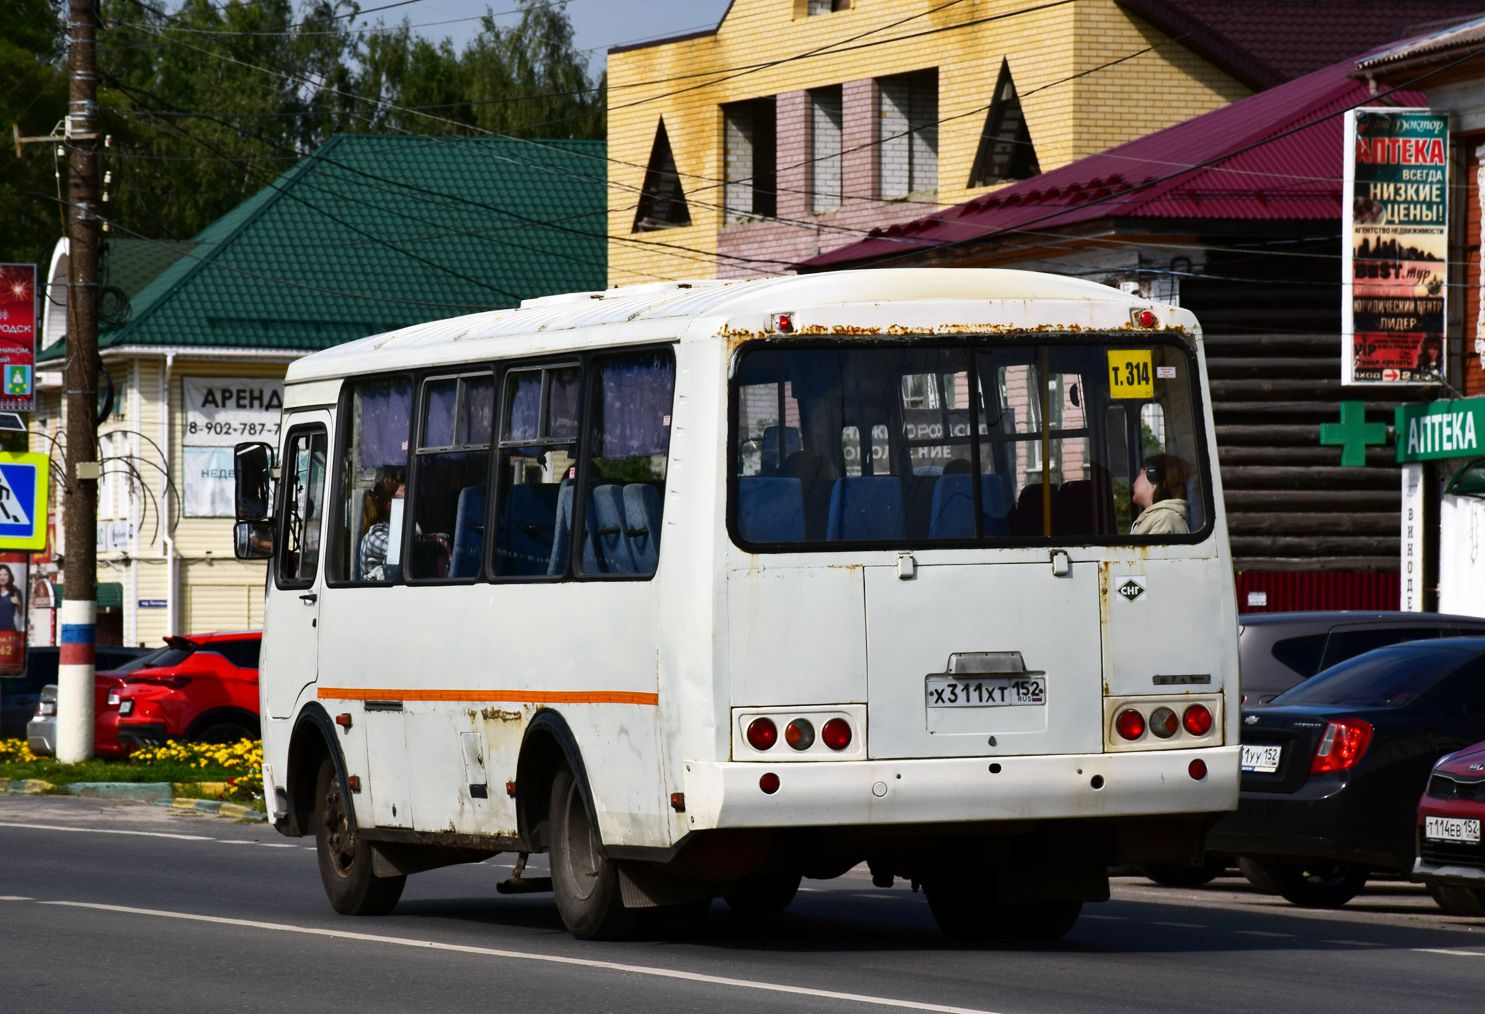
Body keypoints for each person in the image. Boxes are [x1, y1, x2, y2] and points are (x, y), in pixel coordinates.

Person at [1130, 453, 1193, 536]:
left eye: (1140, 474)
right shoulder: (1158, 518)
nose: (1133, 484)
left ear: (1153, 477)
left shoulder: (1165, 519)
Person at [358, 472, 404, 580]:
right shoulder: (375, 536)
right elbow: (401, 552)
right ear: (391, 507)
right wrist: (401, 505)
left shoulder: (391, 530)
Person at [0, 565, 23, 632]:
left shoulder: (16, 592)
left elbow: (21, 613)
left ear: (9, 576)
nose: (2, 577)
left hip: (10, 631)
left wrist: (18, 603)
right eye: (0, 575)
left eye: (5, 575)